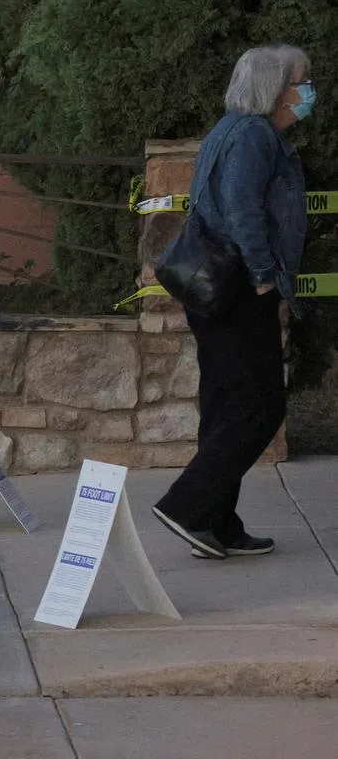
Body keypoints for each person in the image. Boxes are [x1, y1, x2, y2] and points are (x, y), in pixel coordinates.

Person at [152, 45, 314, 560]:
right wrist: (265, 276)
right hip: (241, 287)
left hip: (215, 287)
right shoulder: (254, 137)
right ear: (276, 89)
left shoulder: (230, 130)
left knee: (225, 404)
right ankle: (186, 506)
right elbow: (243, 210)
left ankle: (216, 526)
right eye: (301, 82)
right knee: (260, 405)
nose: (308, 92)